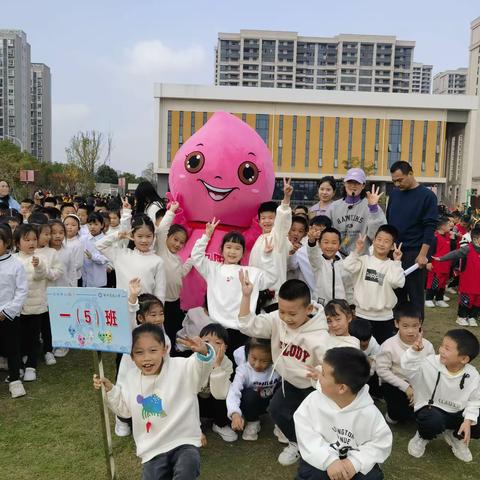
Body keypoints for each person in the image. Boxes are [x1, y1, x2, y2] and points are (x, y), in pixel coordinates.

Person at [93, 323, 215, 480]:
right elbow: (125, 409)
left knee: (187, 469)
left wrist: (204, 351)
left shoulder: (181, 367)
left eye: (153, 351)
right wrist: (110, 390)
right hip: (153, 448)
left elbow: (201, 368)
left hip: (183, 440)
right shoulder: (131, 378)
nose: (147, 358)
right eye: (139, 352)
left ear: (164, 350)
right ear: (131, 356)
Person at [238, 275, 329, 466]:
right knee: (277, 410)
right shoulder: (277, 319)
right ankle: (296, 442)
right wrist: (246, 296)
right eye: (282, 311)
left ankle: (319, 449)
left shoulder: (320, 336)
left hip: (313, 387)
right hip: (289, 381)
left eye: (293, 314)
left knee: (317, 424)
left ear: (309, 309)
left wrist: (321, 374)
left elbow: (328, 365)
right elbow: (248, 326)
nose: (286, 318)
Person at [294, 347, 392, 480]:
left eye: (323, 373)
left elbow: (381, 443)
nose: (318, 376)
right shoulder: (313, 401)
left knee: (372, 477)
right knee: (310, 474)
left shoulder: (369, 413)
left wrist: (354, 463)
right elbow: (306, 433)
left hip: (353, 463)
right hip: (321, 457)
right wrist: (329, 461)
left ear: (341, 388)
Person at [191, 218, 276, 354]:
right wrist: (206, 236)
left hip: (242, 330)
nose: (232, 252)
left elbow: (272, 279)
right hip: (217, 330)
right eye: (229, 247)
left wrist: (267, 256)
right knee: (214, 366)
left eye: (237, 248)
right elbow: (196, 256)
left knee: (237, 368)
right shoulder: (213, 269)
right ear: (222, 249)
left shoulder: (251, 273)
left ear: (243, 252)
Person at [402, 329, 480, 463]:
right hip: (432, 409)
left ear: (464, 359)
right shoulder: (430, 363)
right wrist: (414, 352)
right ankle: (422, 436)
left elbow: (475, 400)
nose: (441, 350)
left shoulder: (472, 375)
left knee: (476, 422)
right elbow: (409, 369)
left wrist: (468, 421)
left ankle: (456, 437)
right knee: (432, 422)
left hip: (456, 413)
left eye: (447, 348)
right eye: (442, 345)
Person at [387, 161, 438, 320]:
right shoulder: (394, 194)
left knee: (415, 297)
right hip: (394, 253)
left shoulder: (427, 196)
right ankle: (397, 332)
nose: (397, 183)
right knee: (395, 296)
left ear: (411, 173)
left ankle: (417, 332)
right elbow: (389, 221)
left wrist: (423, 255)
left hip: (414, 254)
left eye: (400, 179)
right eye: (394, 180)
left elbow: (429, 227)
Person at [343, 226, 405, 344]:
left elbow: (397, 282)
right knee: (359, 349)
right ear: (374, 240)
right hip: (362, 315)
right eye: (379, 239)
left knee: (382, 350)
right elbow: (347, 266)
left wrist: (397, 262)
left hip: (384, 318)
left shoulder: (392, 265)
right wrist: (356, 251)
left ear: (392, 246)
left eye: (386, 241)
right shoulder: (364, 260)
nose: (381, 244)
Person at [376, 302, 434, 424]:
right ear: (396, 324)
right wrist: (405, 387)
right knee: (398, 416)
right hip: (395, 384)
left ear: (420, 324)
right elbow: (382, 371)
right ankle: (393, 413)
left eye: (415, 326)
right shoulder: (388, 345)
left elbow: (431, 370)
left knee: (424, 414)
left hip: (419, 384)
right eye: (405, 326)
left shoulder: (427, 346)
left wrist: (417, 389)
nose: (411, 331)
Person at [96, 214, 166, 302]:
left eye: (148, 236)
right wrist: (118, 235)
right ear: (133, 236)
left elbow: (160, 292)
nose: (144, 240)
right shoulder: (121, 255)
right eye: (140, 236)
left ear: (153, 237)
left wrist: (158, 313)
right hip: (122, 307)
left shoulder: (157, 261)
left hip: (145, 310)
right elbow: (99, 245)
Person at [154, 201, 193, 353]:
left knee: (172, 331)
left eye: (182, 242)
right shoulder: (161, 250)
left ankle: (170, 355)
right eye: (175, 239)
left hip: (175, 302)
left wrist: (191, 259)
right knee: (160, 333)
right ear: (167, 238)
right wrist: (172, 211)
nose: (178, 244)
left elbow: (181, 273)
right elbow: (162, 229)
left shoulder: (177, 258)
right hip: (161, 302)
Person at [13, 224, 49, 382]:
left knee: (34, 337)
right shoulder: (13, 259)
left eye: (34, 239)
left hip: (36, 306)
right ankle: (19, 365)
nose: (31, 243)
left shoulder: (40, 258)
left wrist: (39, 266)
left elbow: (41, 276)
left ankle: (31, 366)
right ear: (17, 243)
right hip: (18, 307)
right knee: (19, 337)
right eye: (27, 240)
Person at [249, 178, 293, 305]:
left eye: (271, 218)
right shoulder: (259, 239)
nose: (266, 221)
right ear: (258, 220)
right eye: (263, 218)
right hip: (257, 295)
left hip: (275, 297)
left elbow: (282, 222)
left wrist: (286, 200)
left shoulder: (278, 236)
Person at [227, 338, 280, 442]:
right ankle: (253, 421)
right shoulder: (243, 370)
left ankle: (280, 422)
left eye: (264, 361)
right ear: (248, 354)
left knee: (284, 387)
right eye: (253, 358)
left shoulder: (278, 367)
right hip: (252, 405)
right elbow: (234, 391)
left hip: (271, 403)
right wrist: (235, 413)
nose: (257, 365)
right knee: (249, 395)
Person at [327, 168, 386, 255]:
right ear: (344, 183)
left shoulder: (371, 206)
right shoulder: (333, 207)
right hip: (337, 257)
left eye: (357, 183)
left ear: (363, 185)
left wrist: (373, 209)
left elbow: (379, 236)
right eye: (350, 182)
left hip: (361, 258)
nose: (353, 186)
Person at [0, 224, 28, 398]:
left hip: (8, 316)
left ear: (8, 243)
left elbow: (22, 291)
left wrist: (6, 312)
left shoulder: (15, 265)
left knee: (12, 348)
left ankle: (15, 379)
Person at [432, 226, 480, 327]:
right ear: (475, 239)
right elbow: (454, 254)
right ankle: (461, 317)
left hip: (478, 284)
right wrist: (441, 258)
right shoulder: (467, 249)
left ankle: (472, 317)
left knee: (477, 302)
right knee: (466, 301)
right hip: (469, 282)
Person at [196, 323, 234, 443]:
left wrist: (216, 366)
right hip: (198, 400)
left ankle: (220, 424)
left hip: (215, 401)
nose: (211, 346)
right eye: (206, 341)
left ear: (225, 347)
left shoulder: (227, 363)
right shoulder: (193, 359)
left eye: (217, 343)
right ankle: (194, 426)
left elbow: (222, 393)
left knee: (225, 392)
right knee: (188, 396)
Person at [307, 227, 353, 306]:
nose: (329, 246)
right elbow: (312, 254)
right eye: (326, 242)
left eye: (334, 243)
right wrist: (312, 241)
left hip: (340, 308)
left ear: (339, 245)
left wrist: (351, 305)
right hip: (321, 306)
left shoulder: (344, 264)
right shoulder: (318, 262)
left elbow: (348, 287)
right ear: (319, 244)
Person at [349, 318, 381, 398]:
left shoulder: (372, 341)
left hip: (369, 372)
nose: (365, 346)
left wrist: (372, 359)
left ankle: (374, 393)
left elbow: (379, 355)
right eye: (363, 346)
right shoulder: (349, 345)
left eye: (367, 343)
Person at [425, 217, 452, 309]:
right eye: (449, 224)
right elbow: (430, 250)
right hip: (436, 265)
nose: (451, 225)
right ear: (443, 227)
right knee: (434, 282)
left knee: (442, 283)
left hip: (445, 265)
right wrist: (428, 262)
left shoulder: (448, 236)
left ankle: (439, 299)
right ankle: (428, 299)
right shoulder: (435, 237)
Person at [82, 212, 108, 288]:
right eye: (90, 224)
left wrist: (92, 256)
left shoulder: (106, 240)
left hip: (99, 281)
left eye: (96, 224)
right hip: (85, 280)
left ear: (102, 225)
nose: (92, 227)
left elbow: (106, 258)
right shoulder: (83, 239)